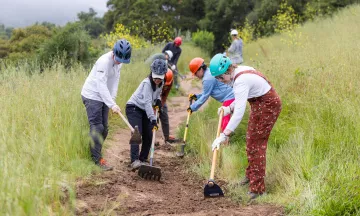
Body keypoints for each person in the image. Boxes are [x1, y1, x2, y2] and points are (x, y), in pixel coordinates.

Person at [209, 53, 282, 200]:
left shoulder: (240, 80)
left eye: (221, 78)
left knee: (257, 145)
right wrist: (229, 108)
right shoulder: (240, 72)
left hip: (268, 105)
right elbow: (243, 98)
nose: (221, 81)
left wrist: (225, 134)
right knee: (250, 141)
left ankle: (258, 190)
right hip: (259, 103)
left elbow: (239, 112)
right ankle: (250, 177)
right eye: (217, 79)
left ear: (228, 71)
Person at [81, 39, 132, 171]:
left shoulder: (119, 63)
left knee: (105, 129)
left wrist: (112, 101)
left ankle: (96, 153)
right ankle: (96, 160)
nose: (119, 62)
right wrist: (111, 104)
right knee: (97, 127)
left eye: (122, 60)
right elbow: (101, 85)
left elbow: (115, 81)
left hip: (104, 97)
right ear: (114, 52)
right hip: (92, 95)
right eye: (118, 59)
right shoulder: (104, 62)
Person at [126, 59, 167, 170]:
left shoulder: (161, 83)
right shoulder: (147, 83)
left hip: (144, 110)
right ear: (152, 73)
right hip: (134, 108)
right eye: (155, 77)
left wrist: (158, 100)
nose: (157, 80)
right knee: (137, 132)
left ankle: (142, 159)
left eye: (160, 77)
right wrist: (153, 119)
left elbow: (157, 95)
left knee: (149, 134)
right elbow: (148, 103)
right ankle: (134, 161)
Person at [187, 57, 235, 131]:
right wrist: (196, 96)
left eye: (196, 73)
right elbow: (207, 92)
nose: (196, 76)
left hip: (229, 97)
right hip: (230, 96)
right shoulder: (209, 72)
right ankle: (226, 137)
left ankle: (225, 140)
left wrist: (192, 108)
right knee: (226, 119)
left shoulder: (207, 79)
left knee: (224, 119)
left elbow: (205, 96)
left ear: (201, 69)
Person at [159, 69, 180, 143]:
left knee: (164, 115)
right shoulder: (158, 80)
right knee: (151, 118)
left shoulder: (170, 82)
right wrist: (155, 109)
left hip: (161, 98)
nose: (166, 85)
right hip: (152, 98)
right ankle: (149, 137)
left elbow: (165, 95)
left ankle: (167, 137)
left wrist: (161, 105)